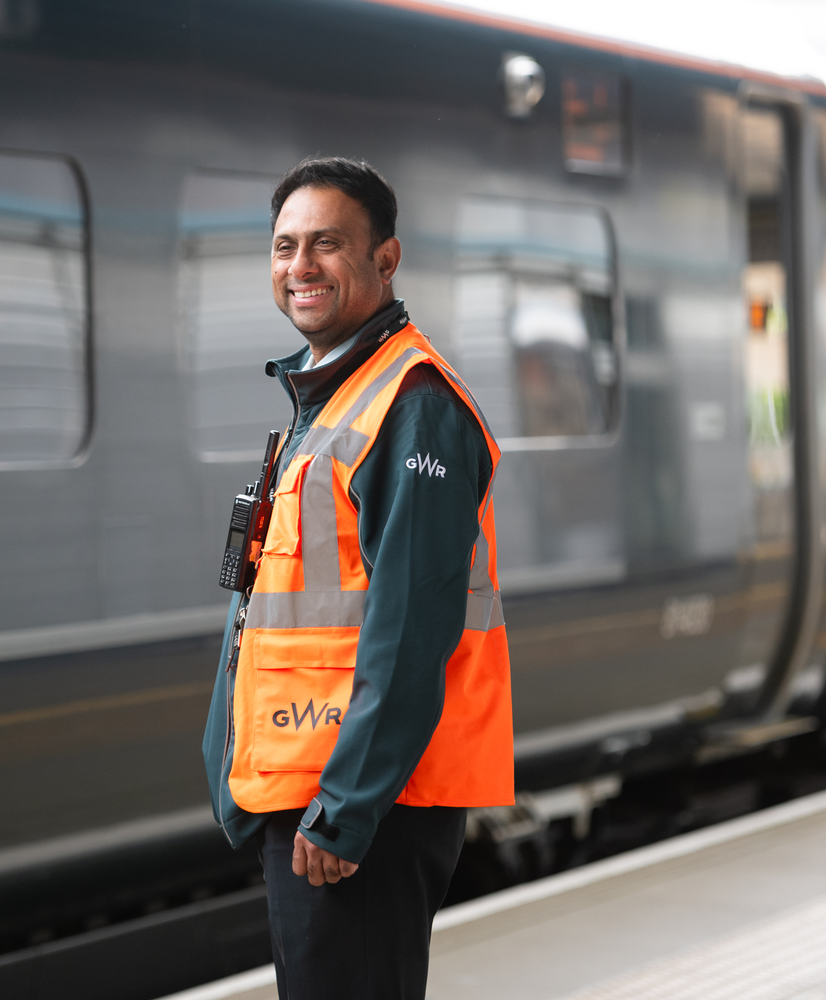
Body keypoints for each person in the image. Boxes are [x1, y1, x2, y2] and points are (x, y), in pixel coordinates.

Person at [201, 157, 514, 999]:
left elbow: (412, 626)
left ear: (386, 259)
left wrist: (346, 808)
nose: (300, 265)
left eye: (327, 244)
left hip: (360, 810)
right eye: (285, 246)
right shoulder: (338, 399)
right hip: (317, 795)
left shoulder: (413, 406)